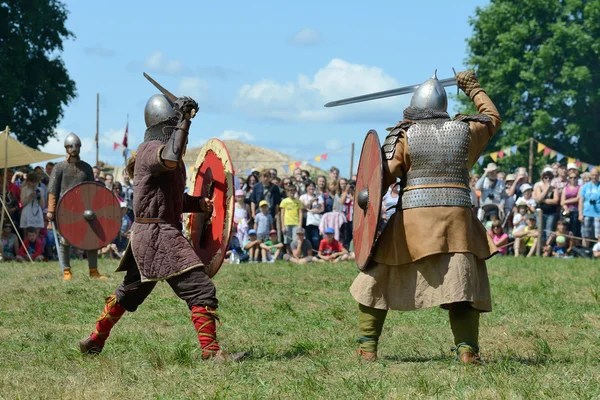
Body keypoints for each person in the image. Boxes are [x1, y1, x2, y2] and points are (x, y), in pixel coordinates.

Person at [79, 93, 245, 361]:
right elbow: (169, 157)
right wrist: (185, 121)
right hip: (158, 235)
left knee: (128, 293)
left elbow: (171, 200)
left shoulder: (166, 156)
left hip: (151, 235)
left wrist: (198, 204)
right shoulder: (151, 151)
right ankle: (212, 354)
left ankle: (94, 340)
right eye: (176, 124)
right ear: (167, 123)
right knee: (200, 289)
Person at [350, 71, 501, 364]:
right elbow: (492, 117)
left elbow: (381, 177)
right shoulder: (466, 130)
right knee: (462, 286)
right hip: (457, 222)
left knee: (376, 279)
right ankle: (467, 352)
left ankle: (367, 348)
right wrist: (472, 87)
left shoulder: (405, 133)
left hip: (413, 222)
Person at [46, 133, 106, 280]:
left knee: (91, 238)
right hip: (65, 209)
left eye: (77, 146)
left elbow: (92, 189)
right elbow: (53, 191)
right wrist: (51, 211)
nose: (74, 148)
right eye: (71, 146)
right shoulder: (59, 167)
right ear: (66, 147)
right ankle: (67, 271)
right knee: (65, 240)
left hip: (85, 209)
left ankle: (93, 271)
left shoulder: (86, 168)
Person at [578, 167, 600, 247]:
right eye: (593, 175)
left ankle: (598, 251)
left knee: (599, 235)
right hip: (586, 213)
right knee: (585, 234)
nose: (594, 177)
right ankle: (585, 251)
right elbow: (581, 200)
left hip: (598, 213)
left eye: (596, 175)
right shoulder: (585, 186)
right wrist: (580, 214)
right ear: (590, 175)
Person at [299, 180, 324, 251]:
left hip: (315, 221)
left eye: (313, 186)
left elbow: (322, 208)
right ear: (306, 187)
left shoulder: (319, 197)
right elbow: (302, 207)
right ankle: (308, 252)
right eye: (309, 186)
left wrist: (312, 211)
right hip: (305, 221)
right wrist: (311, 201)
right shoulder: (302, 197)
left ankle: (316, 252)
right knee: (307, 238)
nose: (311, 188)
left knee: (316, 238)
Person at [279, 184, 303, 250]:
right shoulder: (284, 201)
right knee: (287, 240)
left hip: (296, 223)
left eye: (293, 191)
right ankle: (288, 254)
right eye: (289, 191)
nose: (291, 192)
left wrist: (300, 225)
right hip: (287, 223)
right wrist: (283, 226)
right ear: (287, 192)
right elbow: (282, 214)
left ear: (295, 191)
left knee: (295, 239)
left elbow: (300, 213)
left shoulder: (298, 201)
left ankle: (295, 253)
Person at [560, 171, 581, 241]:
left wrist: (565, 201)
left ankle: (573, 246)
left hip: (576, 211)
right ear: (568, 178)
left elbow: (577, 198)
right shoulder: (565, 188)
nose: (573, 179)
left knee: (574, 229)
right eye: (571, 177)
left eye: (575, 177)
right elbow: (561, 202)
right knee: (564, 228)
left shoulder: (580, 187)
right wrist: (566, 208)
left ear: (577, 178)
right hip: (566, 211)